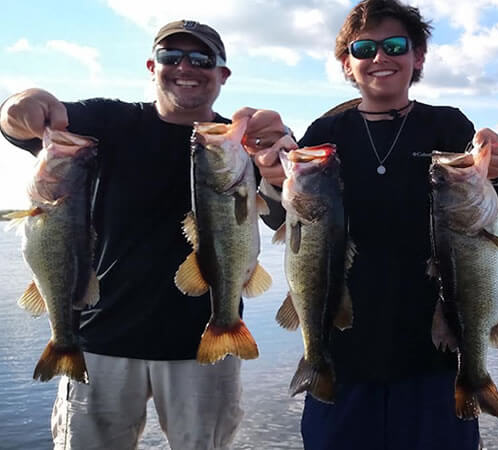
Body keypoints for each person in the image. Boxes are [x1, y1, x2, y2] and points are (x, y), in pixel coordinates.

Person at [0, 20, 294, 449]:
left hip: (201, 346)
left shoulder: (245, 142)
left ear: (222, 74)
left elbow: (289, 213)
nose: (185, 67)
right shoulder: (106, 120)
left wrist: (278, 159)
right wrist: (22, 104)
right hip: (99, 340)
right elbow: (17, 124)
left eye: (201, 59)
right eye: (171, 57)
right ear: (151, 66)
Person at [252, 1, 498, 448]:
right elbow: (289, 219)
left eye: (396, 45)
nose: (381, 58)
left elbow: (495, 204)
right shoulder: (325, 132)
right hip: (343, 356)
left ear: (418, 57)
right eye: (365, 48)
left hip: (435, 356)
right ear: (346, 63)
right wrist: (272, 180)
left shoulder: (447, 125)